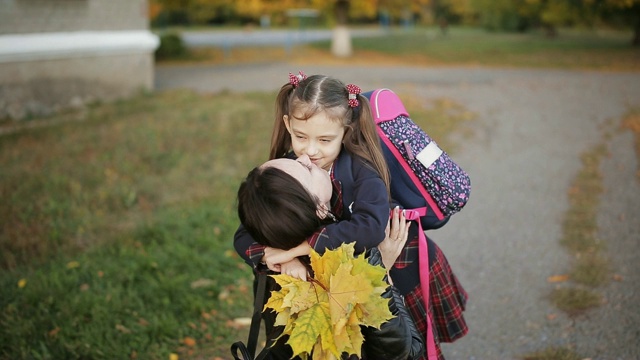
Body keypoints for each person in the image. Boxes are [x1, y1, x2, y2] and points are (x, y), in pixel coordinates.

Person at [235, 72, 467, 359]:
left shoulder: (363, 171)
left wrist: (299, 247)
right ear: (287, 124)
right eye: (300, 136)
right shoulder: (290, 167)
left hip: (396, 273)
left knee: (404, 346)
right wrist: (276, 257)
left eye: (324, 139)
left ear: (346, 131)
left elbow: (370, 228)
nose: (310, 151)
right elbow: (246, 230)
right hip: (334, 289)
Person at [237, 156, 422, 360]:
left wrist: (289, 256)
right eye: (306, 168)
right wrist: (381, 272)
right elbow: (404, 352)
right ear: (321, 209)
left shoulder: (272, 260)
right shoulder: (352, 267)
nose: (305, 156)